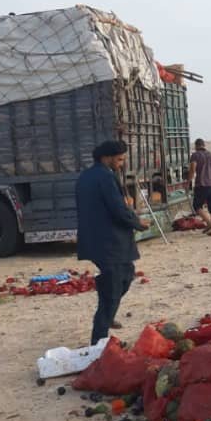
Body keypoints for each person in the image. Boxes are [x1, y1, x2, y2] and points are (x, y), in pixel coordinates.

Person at [76, 140, 149, 345]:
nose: (122, 162)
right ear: (106, 157)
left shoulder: (86, 176)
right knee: (112, 289)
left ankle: (108, 315)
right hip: (109, 242)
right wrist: (137, 223)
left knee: (126, 275)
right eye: (119, 159)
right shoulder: (105, 177)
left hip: (96, 240)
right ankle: (98, 344)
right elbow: (117, 208)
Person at [189, 138, 211, 236]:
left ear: (196, 146)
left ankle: (209, 223)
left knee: (197, 206)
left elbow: (193, 169)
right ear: (204, 145)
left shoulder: (195, 155)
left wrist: (189, 180)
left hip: (202, 184)